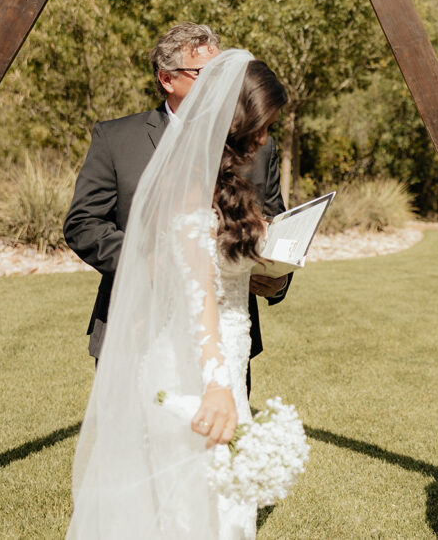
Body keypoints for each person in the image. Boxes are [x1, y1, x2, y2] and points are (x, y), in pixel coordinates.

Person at [68, 51, 289, 538]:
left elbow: (231, 254)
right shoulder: (187, 185)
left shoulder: (224, 175)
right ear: (239, 121)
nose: (267, 138)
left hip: (228, 350)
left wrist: (270, 269)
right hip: (193, 354)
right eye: (264, 125)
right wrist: (215, 385)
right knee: (185, 499)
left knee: (218, 495)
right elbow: (200, 294)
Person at [64, 23, 288, 386]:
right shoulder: (117, 139)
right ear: (168, 79)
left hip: (227, 336)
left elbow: (275, 223)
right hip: (137, 327)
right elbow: (83, 224)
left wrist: (277, 279)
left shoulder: (257, 146)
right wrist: (149, 260)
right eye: (205, 74)